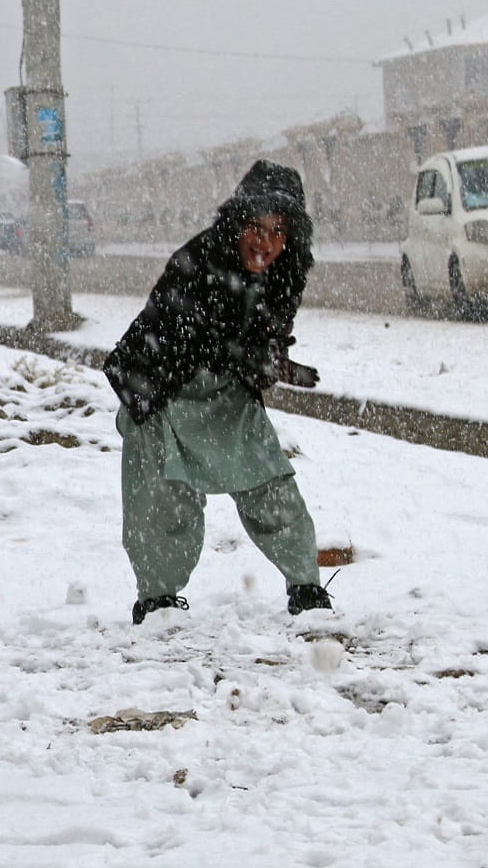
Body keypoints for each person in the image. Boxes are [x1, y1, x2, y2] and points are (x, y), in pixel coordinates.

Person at [103, 159, 334, 625]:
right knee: (164, 501)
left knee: (270, 481)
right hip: (162, 390)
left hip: (226, 395)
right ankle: (158, 600)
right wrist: (245, 354)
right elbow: (188, 336)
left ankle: (306, 587)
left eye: (278, 230)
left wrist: (273, 361)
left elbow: (261, 336)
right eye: (255, 226)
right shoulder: (199, 262)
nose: (265, 242)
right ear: (235, 224)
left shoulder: (285, 272)